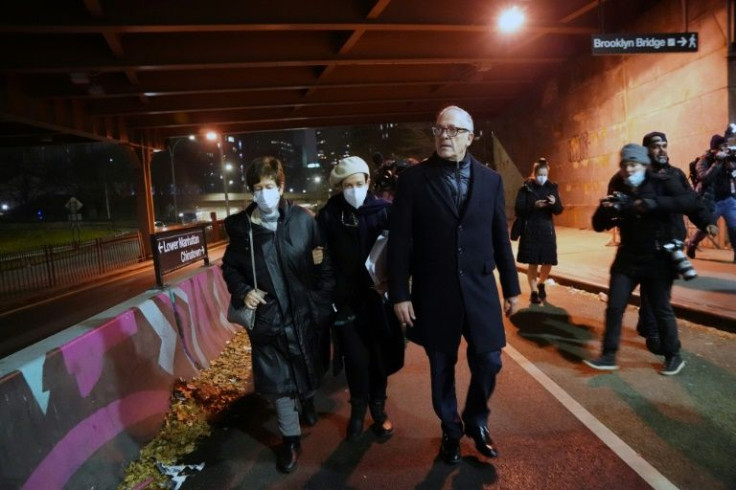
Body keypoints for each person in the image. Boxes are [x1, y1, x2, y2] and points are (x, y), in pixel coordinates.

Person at [388, 105, 521, 464]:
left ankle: (476, 420)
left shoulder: (490, 180)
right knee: (441, 367)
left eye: (452, 130)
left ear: (469, 137)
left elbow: (499, 237)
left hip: (479, 289)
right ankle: (450, 430)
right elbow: (400, 241)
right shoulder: (414, 181)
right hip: (434, 292)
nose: (444, 136)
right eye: (439, 129)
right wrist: (400, 293)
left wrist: (511, 287)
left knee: (490, 360)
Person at [221, 156, 335, 473]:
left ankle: (308, 398)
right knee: (280, 382)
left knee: (308, 364)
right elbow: (230, 268)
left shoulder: (303, 221)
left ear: (281, 186)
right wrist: (243, 290)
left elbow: (322, 264)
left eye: (269, 186)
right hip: (269, 321)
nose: (263, 193)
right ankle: (290, 441)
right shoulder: (243, 230)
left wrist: (320, 302)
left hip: (303, 314)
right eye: (257, 188)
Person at [584, 144, 701, 375]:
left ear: (644, 165)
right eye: (625, 165)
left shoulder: (661, 182)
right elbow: (598, 225)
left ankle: (673, 355)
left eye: (633, 165)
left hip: (657, 259)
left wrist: (654, 203)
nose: (628, 170)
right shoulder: (618, 185)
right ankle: (608, 355)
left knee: (661, 309)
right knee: (615, 307)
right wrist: (605, 210)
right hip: (627, 260)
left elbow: (690, 202)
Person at [316, 156, 404, 441]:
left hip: (380, 300)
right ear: (339, 187)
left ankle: (378, 409)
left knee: (379, 357)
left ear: (368, 182)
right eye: (347, 185)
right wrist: (330, 293)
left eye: (358, 183)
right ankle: (357, 411)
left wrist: (391, 283)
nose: (354, 189)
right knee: (355, 359)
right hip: (346, 302)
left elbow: (403, 254)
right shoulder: (329, 214)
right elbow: (322, 258)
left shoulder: (386, 211)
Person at [633, 132, 715, 354]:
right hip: (648, 242)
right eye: (656, 146)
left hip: (672, 240)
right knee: (655, 287)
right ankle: (653, 332)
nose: (661, 150)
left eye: (664, 145)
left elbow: (692, 202)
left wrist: (706, 221)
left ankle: (646, 322)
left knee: (660, 287)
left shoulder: (676, 175)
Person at [514, 157, 563, 304]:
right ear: (534, 174)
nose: (542, 178)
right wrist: (534, 205)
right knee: (533, 263)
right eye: (539, 175)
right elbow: (519, 209)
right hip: (531, 230)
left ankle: (541, 282)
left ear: (548, 173)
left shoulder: (552, 187)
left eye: (545, 175)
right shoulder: (526, 188)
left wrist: (554, 204)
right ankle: (534, 291)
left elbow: (559, 210)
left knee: (548, 262)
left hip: (547, 230)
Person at [687, 134, 736, 263]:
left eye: (727, 145)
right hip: (712, 202)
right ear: (715, 148)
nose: (726, 148)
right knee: (706, 228)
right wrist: (718, 162)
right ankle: (692, 244)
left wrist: (732, 165)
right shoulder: (704, 161)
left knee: (734, 227)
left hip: (729, 200)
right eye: (723, 146)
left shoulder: (728, 159)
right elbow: (705, 179)